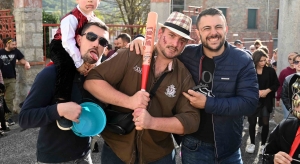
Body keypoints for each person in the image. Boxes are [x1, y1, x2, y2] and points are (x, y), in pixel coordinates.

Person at [130, 8, 259, 163]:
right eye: (207, 28)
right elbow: (167, 47)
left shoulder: (242, 60)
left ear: (226, 29)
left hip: (229, 148)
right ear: (198, 33)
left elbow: (250, 103)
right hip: (194, 145)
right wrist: (142, 40)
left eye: (218, 27)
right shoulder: (187, 54)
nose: (213, 33)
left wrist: (208, 103)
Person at [84, 12, 200, 164]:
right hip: (118, 149)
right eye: (171, 35)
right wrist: (130, 101)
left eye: (182, 40)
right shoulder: (132, 55)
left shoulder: (183, 76)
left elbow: (192, 120)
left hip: (158, 155)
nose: (175, 44)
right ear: (160, 32)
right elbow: (91, 81)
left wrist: (152, 122)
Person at [18, 21, 109, 163]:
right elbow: (24, 119)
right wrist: (59, 109)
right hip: (53, 160)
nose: (96, 43)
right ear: (79, 39)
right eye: (91, 37)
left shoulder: (98, 78)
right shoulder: (53, 74)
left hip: (85, 156)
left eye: (103, 41)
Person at [49, 0, 104, 130]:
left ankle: (95, 103)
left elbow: (101, 45)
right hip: (61, 46)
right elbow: (68, 42)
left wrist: (95, 63)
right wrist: (79, 63)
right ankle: (62, 103)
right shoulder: (71, 18)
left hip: (81, 49)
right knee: (66, 66)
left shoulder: (97, 22)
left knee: (97, 72)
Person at [245, 49, 279, 155]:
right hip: (253, 101)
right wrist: (256, 91)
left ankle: (264, 144)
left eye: (265, 60)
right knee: (252, 123)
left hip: (266, 101)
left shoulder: (270, 71)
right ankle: (252, 143)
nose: (263, 63)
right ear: (255, 60)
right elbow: (244, 85)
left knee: (265, 122)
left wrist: (267, 91)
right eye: (261, 61)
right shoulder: (249, 71)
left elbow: (275, 84)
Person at [263, 73, 300, 164]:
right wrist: (273, 159)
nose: (295, 97)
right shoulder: (285, 126)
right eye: (296, 91)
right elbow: (267, 155)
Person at [0, 37, 31, 126]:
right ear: (7, 44)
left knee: (10, 98)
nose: (15, 46)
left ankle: (7, 118)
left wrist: (26, 63)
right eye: (13, 44)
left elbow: (21, 60)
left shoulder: (16, 51)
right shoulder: (0, 52)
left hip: (11, 78)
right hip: (1, 79)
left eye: (15, 44)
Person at [276, 52, 298, 118]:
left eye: (294, 59)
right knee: (288, 118)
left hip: (297, 99)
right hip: (287, 99)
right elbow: (280, 85)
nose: (292, 61)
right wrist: (278, 98)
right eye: (290, 59)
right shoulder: (284, 72)